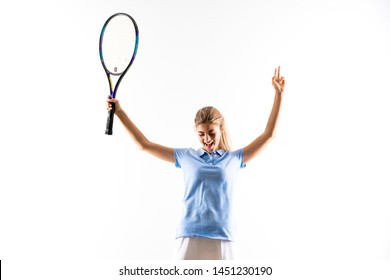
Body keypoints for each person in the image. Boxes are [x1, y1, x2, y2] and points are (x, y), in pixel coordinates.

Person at [106, 66, 286, 260]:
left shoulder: (234, 159)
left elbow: (269, 134)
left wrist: (279, 94)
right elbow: (144, 144)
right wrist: (120, 112)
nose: (207, 139)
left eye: (211, 133)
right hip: (189, 234)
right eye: (201, 134)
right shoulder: (186, 157)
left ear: (221, 129)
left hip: (223, 236)